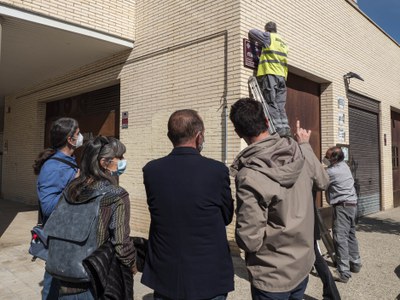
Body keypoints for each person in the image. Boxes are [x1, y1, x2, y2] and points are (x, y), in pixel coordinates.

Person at [229, 98, 329, 300]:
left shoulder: (249, 175)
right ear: (267, 121)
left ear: (238, 132)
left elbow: (249, 239)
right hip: (302, 264)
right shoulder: (299, 151)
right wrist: (306, 146)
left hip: (272, 275)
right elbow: (323, 181)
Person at [142, 109, 234, 300]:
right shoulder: (216, 171)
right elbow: (227, 216)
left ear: (170, 136)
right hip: (208, 275)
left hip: (165, 273)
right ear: (199, 136)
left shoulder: (152, 170)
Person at [54, 136, 136, 299]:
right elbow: (121, 243)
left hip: (64, 277)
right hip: (95, 280)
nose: (123, 161)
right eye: (119, 157)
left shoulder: (71, 189)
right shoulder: (116, 195)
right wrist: (131, 264)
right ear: (104, 163)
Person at [33, 117, 81, 300]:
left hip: (69, 235)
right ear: (70, 139)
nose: (80, 137)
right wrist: (75, 185)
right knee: (53, 283)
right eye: (78, 134)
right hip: (58, 238)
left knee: (57, 280)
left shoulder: (69, 161)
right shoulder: (53, 167)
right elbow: (48, 207)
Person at [324, 146, 362, 283]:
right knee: (351, 235)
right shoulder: (344, 166)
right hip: (352, 205)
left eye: (327, 157)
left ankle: (343, 272)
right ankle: (355, 264)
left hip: (342, 207)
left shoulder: (332, 172)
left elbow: (320, 182)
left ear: (334, 159)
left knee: (340, 238)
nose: (325, 159)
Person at [248, 21, 290, 137]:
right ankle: (285, 128)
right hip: (282, 76)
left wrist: (264, 35)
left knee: (271, 102)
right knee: (280, 104)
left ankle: (277, 128)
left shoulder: (268, 37)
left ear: (267, 30)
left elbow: (252, 32)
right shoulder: (283, 43)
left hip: (270, 73)